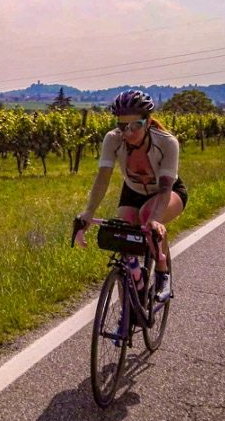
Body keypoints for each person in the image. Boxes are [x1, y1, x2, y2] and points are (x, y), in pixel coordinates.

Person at [76, 89, 188, 301]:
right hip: (133, 191)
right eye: (122, 126)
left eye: (135, 125)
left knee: (147, 219)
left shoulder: (167, 142)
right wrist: (89, 212)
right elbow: (102, 178)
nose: (128, 132)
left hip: (168, 191)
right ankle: (127, 307)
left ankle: (163, 273)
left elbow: (165, 190)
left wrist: (155, 219)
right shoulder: (113, 139)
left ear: (147, 121)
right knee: (123, 238)